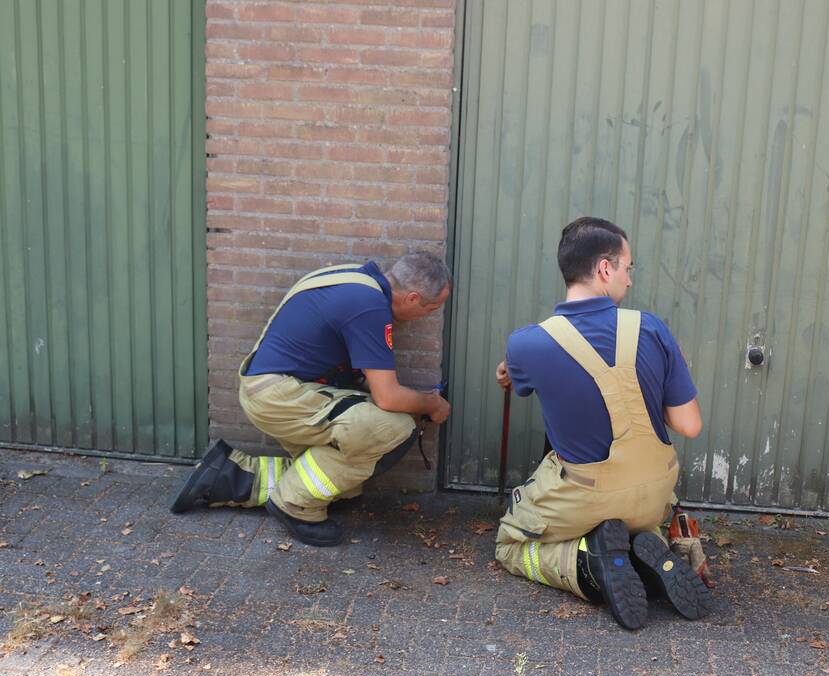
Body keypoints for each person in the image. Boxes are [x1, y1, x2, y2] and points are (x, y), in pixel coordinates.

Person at [493, 217, 709, 630]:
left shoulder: (526, 343)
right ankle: (641, 553)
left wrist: (507, 368)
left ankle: (588, 564)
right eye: (628, 268)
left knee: (508, 544)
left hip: (586, 496)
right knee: (637, 513)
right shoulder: (653, 329)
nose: (629, 280)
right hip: (653, 493)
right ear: (605, 269)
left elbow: (513, 379)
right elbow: (689, 425)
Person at [171, 252, 452, 547]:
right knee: (393, 427)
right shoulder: (369, 307)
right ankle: (293, 505)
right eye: (431, 308)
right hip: (280, 396)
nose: (428, 316)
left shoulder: (355, 280)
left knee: (342, 483)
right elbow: (387, 397)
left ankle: (228, 477)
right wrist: (431, 404)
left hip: (273, 389)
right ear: (411, 298)